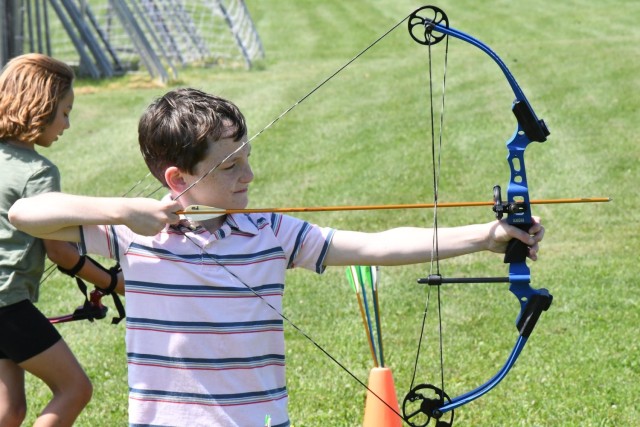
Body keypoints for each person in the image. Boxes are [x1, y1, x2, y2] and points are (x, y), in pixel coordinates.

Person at [8, 88, 545, 427]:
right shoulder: (133, 235)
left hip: (259, 419)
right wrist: (126, 211)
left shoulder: (269, 233)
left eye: (248, 159)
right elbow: (27, 214)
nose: (248, 176)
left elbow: (377, 244)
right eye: (231, 166)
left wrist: (487, 235)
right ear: (178, 179)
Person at [0, 53, 123, 427]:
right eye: (65, 112)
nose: (67, 124)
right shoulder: (39, 172)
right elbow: (61, 252)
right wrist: (113, 283)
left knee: (8, 410)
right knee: (74, 389)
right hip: (8, 305)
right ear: (41, 108)